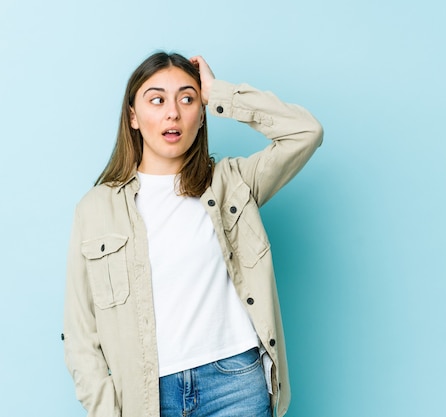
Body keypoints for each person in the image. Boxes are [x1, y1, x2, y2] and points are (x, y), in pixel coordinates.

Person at [62, 51, 323, 417]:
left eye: (187, 98)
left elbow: (306, 132)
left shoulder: (233, 183)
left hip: (236, 383)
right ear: (133, 117)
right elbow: (80, 333)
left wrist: (219, 93)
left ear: (200, 115)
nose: (173, 112)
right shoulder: (95, 208)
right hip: (148, 396)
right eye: (157, 100)